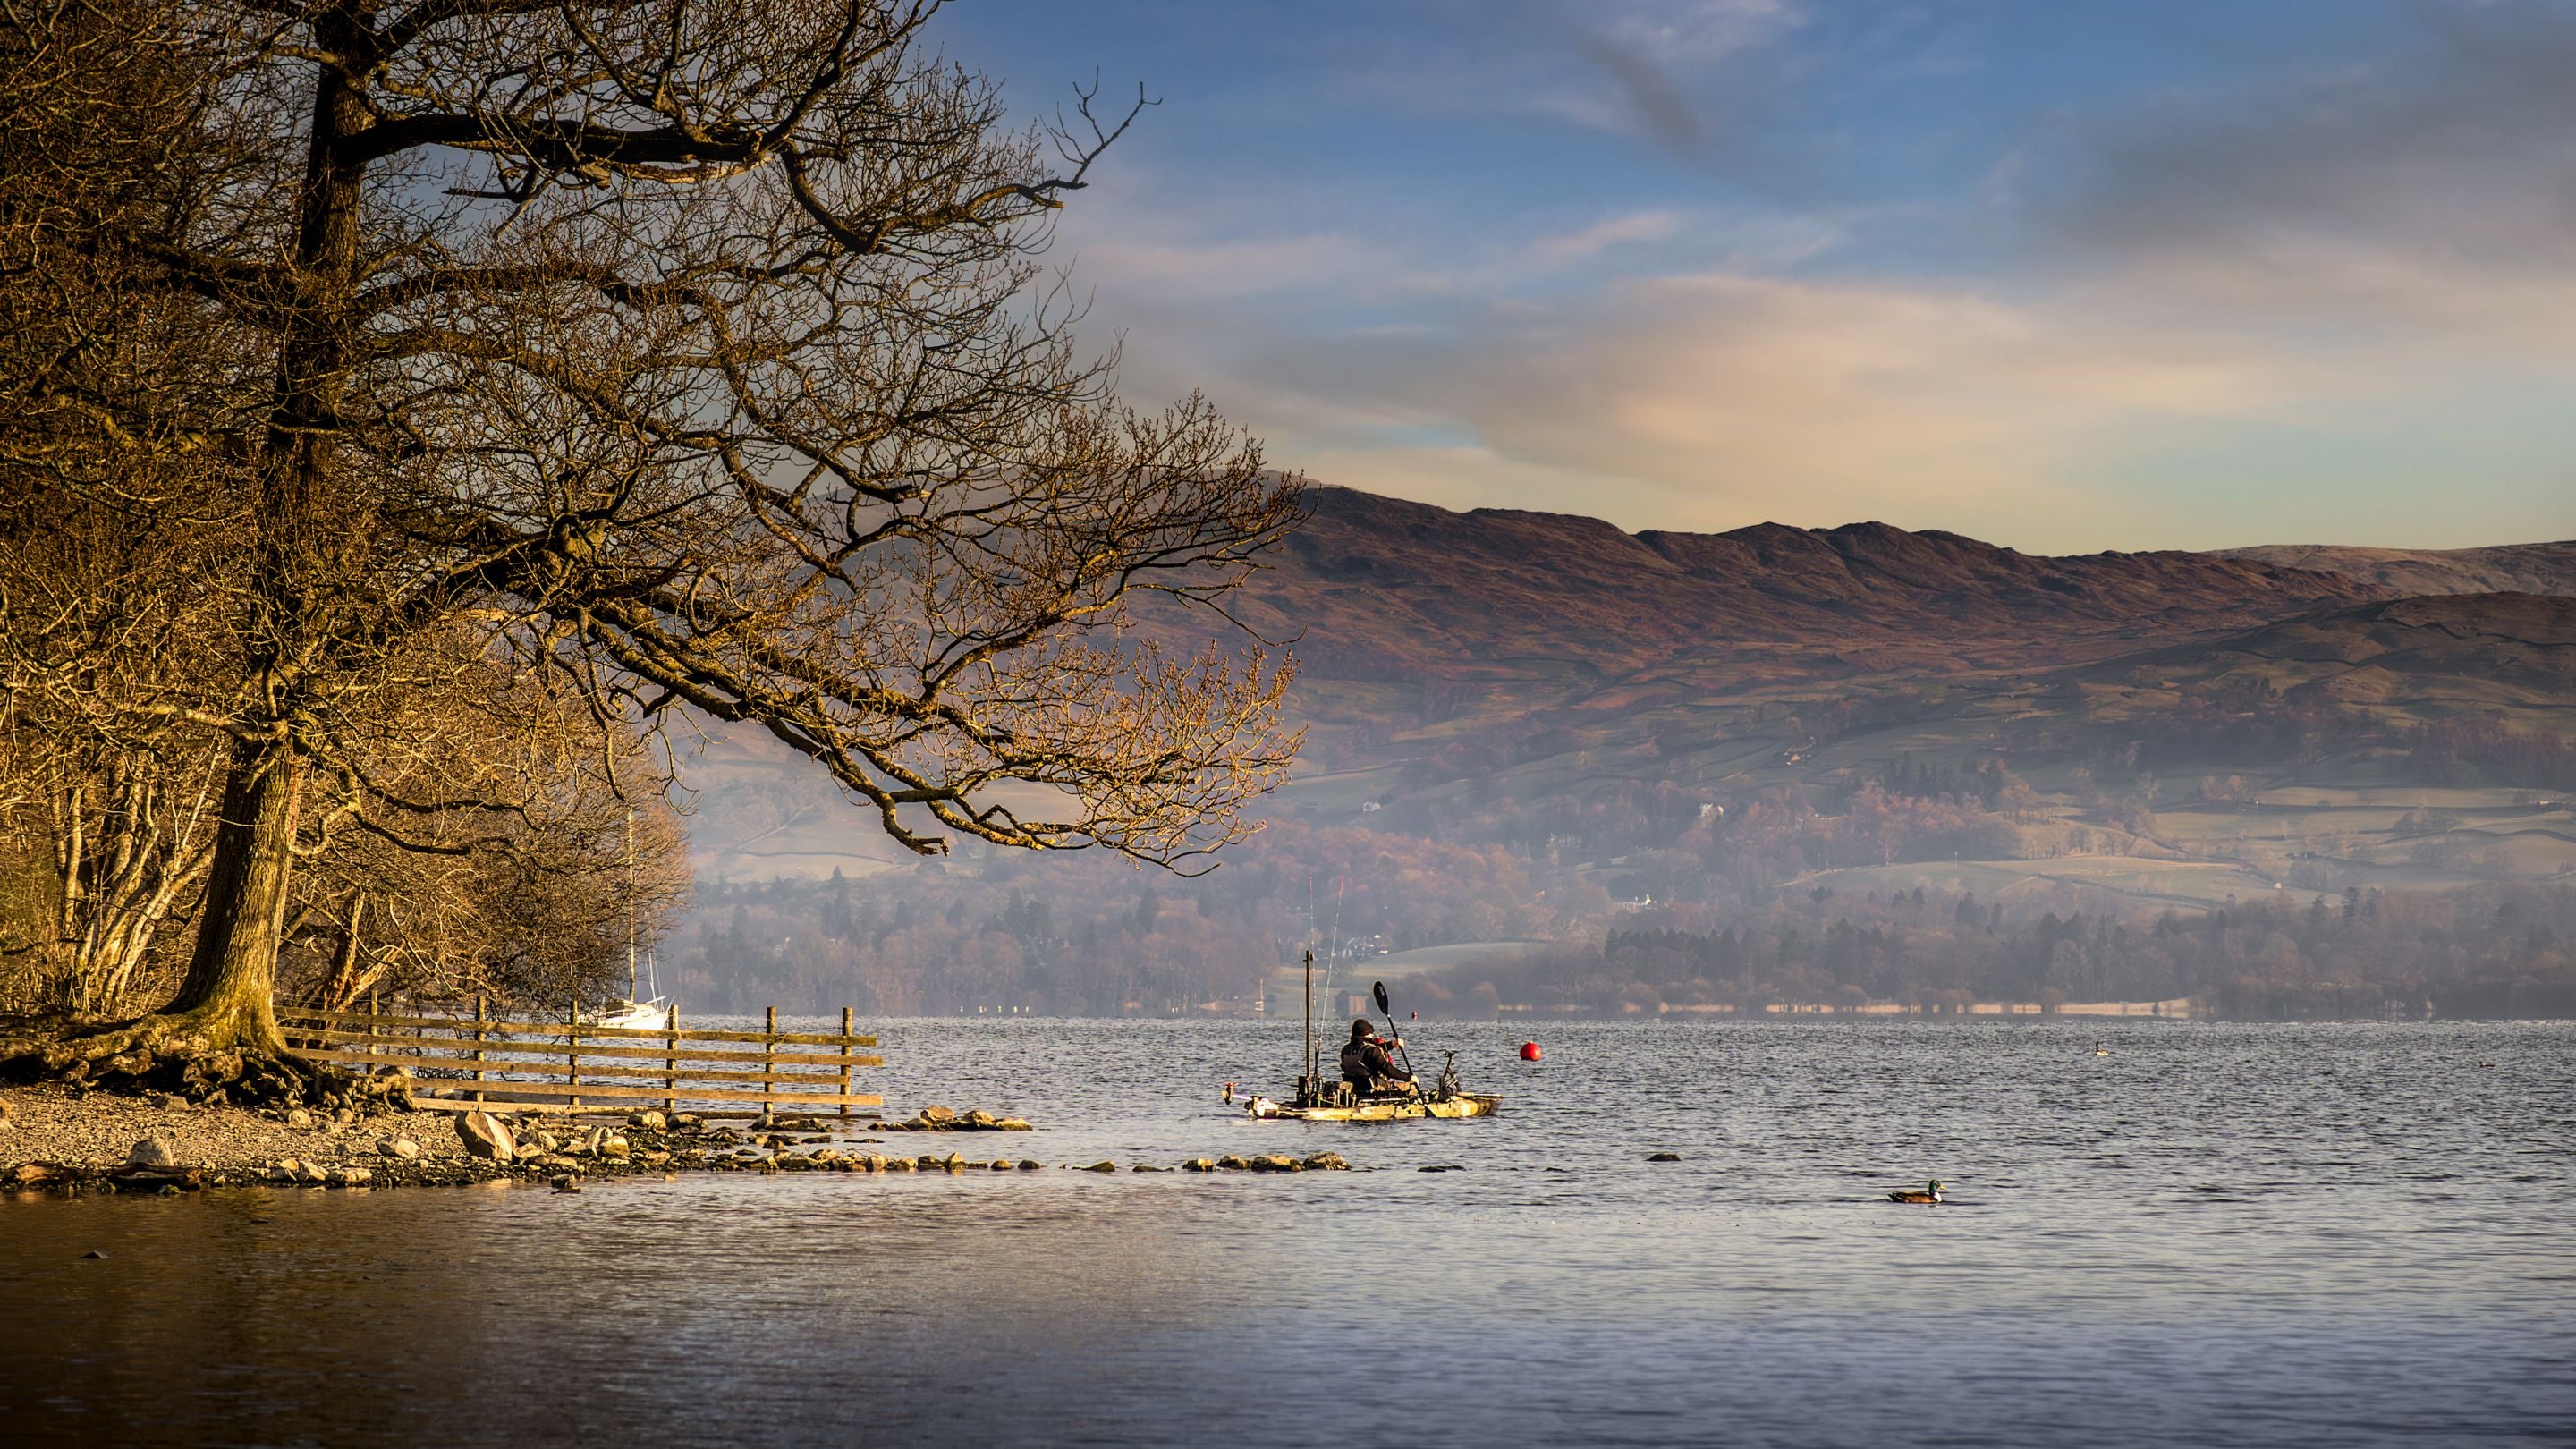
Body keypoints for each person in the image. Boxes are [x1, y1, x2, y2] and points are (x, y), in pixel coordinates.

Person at [1337, 1018, 1415, 1096]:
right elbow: (1389, 1071)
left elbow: (1368, 1052)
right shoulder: (1371, 1051)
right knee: (1412, 1086)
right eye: (1371, 1032)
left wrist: (1392, 1044)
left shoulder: (1345, 1050)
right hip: (1376, 1089)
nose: (1373, 1035)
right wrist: (1409, 1078)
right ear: (1365, 1034)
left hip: (1353, 1089)